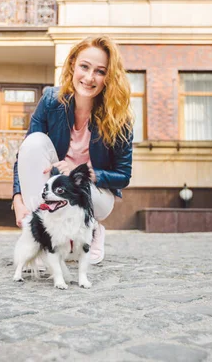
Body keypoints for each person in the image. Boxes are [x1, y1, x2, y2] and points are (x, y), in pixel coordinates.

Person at [12, 35, 134, 264]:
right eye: (84, 67)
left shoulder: (120, 117)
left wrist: (84, 173)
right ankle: (41, 238)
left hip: (95, 195)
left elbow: (123, 176)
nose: (89, 77)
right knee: (34, 141)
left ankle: (92, 229)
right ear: (72, 66)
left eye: (100, 71)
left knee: (82, 191)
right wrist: (17, 200)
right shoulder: (51, 100)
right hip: (56, 188)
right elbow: (24, 156)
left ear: (109, 77)